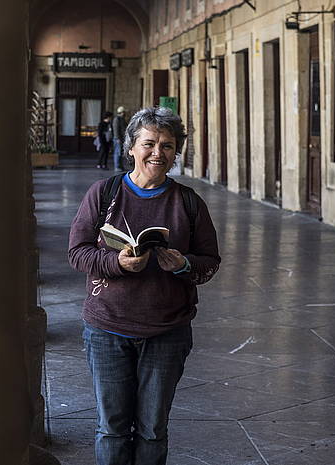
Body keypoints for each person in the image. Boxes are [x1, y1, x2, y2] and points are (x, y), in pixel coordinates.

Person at [68, 107, 220, 465]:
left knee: (153, 429)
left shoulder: (188, 202)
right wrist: (115, 263)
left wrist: (183, 264)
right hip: (107, 327)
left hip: (167, 330)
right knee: (112, 428)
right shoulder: (103, 193)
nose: (158, 153)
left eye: (167, 146)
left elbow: (209, 261)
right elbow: (77, 253)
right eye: (149, 143)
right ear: (131, 148)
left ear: (176, 151)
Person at [112, 106, 127, 171]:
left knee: (120, 153)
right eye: (124, 112)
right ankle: (117, 166)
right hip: (118, 139)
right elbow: (116, 130)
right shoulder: (117, 119)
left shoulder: (122, 119)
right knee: (117, 152)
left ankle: (120, 166)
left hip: (121, 138)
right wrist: (117, 138)